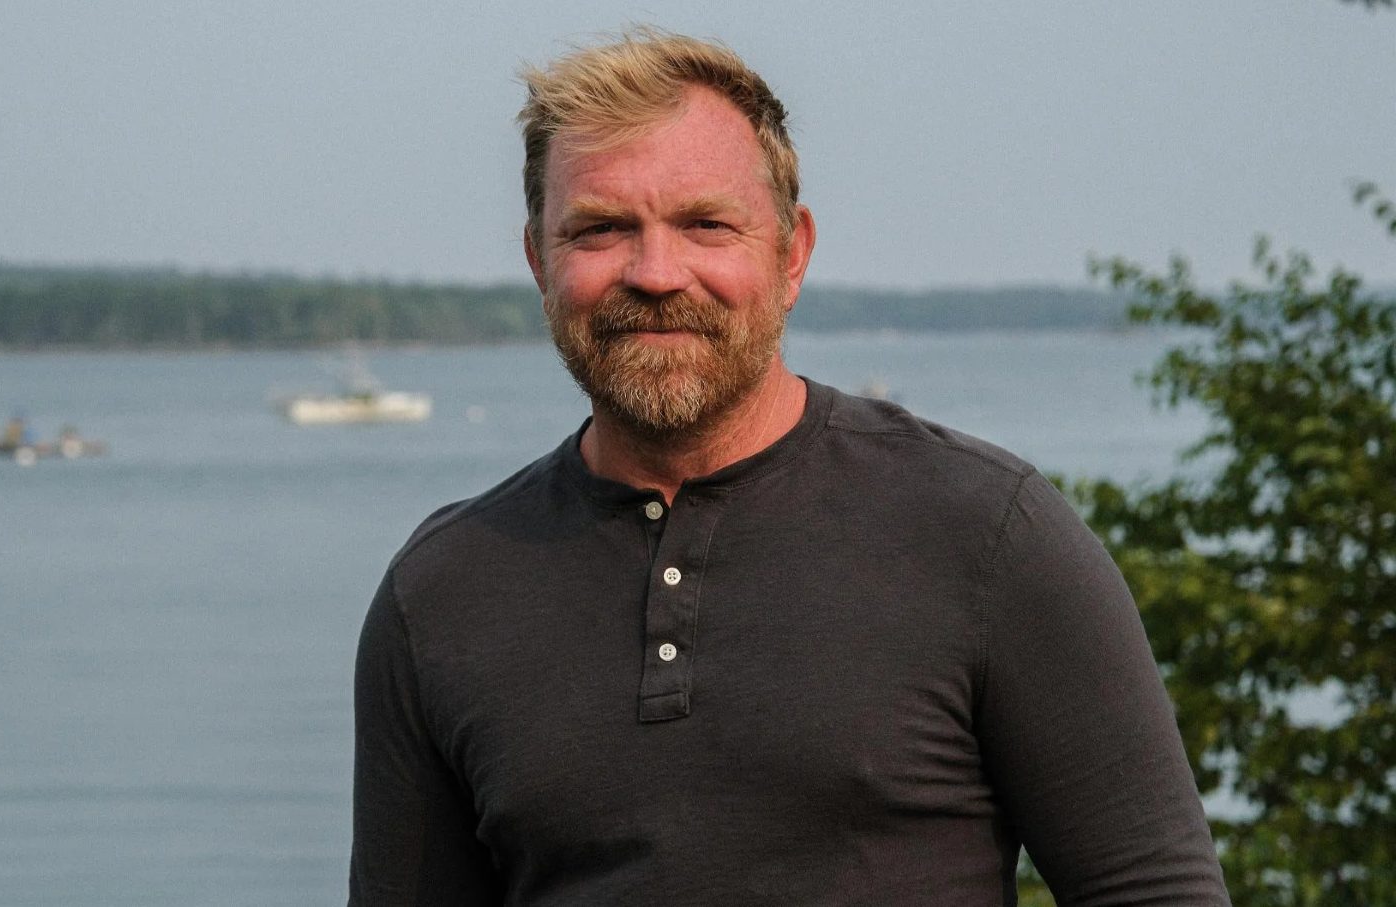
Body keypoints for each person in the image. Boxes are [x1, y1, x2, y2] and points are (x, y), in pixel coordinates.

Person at [349, 29, 1231, 906]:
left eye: (706, 224)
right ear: (539, 260)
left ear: (791, 252)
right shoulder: (441, 593)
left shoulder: (987, 536)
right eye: (601, 229)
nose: (656, 273)